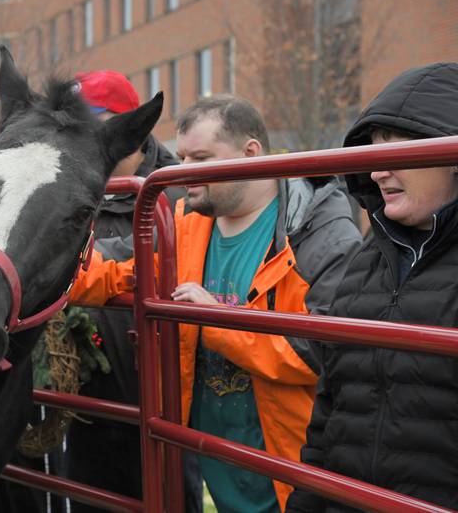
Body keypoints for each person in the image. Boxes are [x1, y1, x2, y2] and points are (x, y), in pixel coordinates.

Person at [69, 94, 362, 512]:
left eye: (200, 159)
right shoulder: (186, 224)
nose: (183, 171)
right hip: (219, 467)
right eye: (182, 157)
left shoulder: (317, 228)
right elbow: (109, 271)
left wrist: (216, 321)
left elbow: (319, 351)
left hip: (294, 474)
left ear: (251, 152)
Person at [286, 62, 458, 512]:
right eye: (373, 152)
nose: (379, 171)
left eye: (397, 151)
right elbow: (330, 408)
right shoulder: (364, 262)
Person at [64, 69, 189, 512]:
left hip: (159, 406)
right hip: (85, 408)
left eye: (88, 124)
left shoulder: (176, 192)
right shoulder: (73, 191)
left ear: (128, 127)